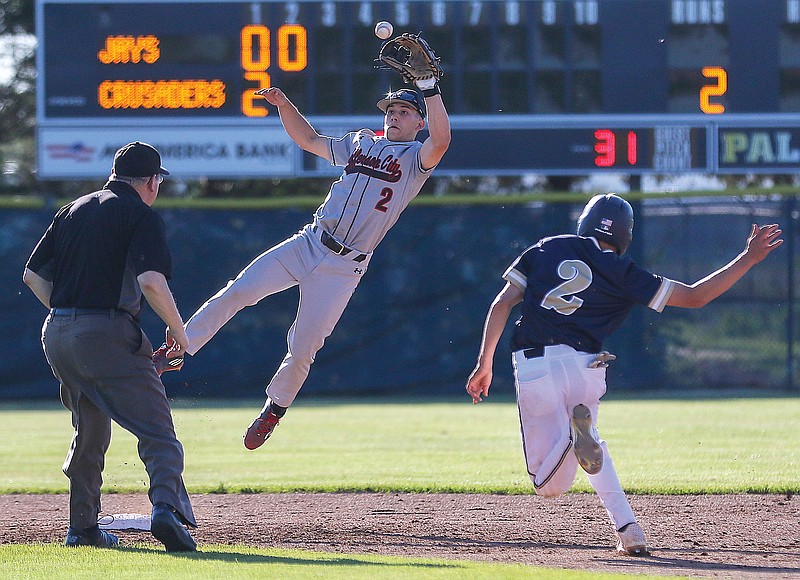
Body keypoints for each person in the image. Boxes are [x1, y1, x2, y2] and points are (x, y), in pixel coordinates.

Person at [465, 193, 782, 556]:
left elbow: (503, 302)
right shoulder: (624, 272)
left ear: (585, 222)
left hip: (536, 364)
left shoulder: (548, 247)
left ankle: (575, 440)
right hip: (587, 367)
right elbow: (696, 296)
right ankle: (629, 529)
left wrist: (484, 362)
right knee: (592, 446)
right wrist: (749, 257)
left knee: (547, 485)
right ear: (625, 235)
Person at [153, 82, 451, 450]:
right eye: (390, 110)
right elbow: (309, 140)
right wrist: (282, 104)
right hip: (309, 242)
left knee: (304, 347)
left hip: (344, 268)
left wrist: (430, 90)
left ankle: (272, 411)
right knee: (240, 290)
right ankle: (177, 351)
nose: (394, 115)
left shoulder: (416, 160)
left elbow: (442, 141)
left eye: (404, 112)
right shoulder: (361, 142)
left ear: (419, 122)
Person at [23, 141, 197, 552]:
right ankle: (166, 511)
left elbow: (32, 275)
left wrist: (74, 317)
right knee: (158, 432)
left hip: (58, 332)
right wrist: (180, 333)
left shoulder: (73, 208)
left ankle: (81, 528)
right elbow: (152, 283)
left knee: (90, 430)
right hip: (107, 332)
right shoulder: (139, 213)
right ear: (152, 181)